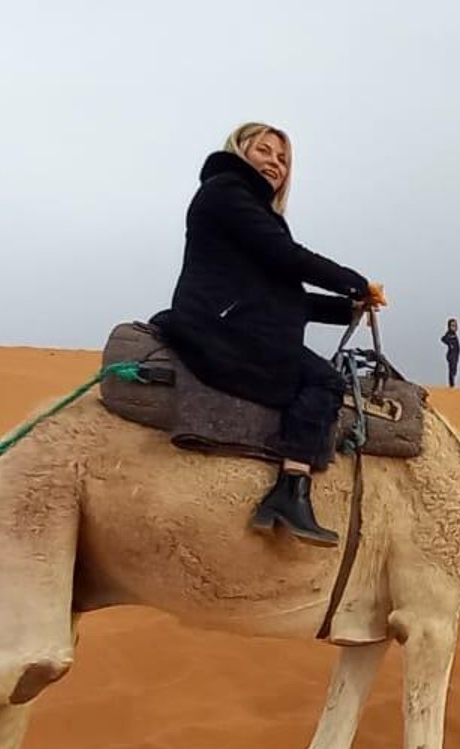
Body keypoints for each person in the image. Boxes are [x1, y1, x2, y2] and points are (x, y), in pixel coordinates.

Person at [150, 122, 382, 548]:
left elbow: (283, 298)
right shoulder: (226, 192)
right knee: (325, 381)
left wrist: (348, 308)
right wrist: (355, 282)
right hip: (220, 330)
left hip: (236, 322)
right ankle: (291, 492)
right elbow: (287, 258)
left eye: (283, 159)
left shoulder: (250, 210)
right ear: (240, 150)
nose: (275, 163)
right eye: (265, 151)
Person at [441, 318, 460, 387]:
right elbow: (443, 338)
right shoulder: (449, 333)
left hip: (456, 354)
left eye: (455, 325)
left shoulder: (454, 334)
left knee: (454, 370)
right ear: (449, 326)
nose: (455, 327)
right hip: (451, 354)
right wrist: (450, 344)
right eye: (453, 325)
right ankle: (451, 385)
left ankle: (452, 384)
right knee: (452, 369)